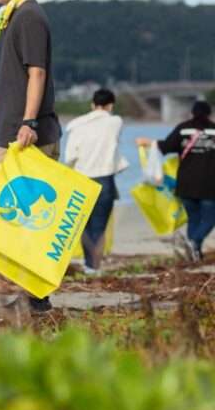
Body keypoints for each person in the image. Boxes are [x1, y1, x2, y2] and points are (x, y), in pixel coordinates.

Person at [0, 0, 61, 313]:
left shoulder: (29, 17)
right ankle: (32, 296)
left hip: (27, 135)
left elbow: (36, 73)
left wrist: (28, 123)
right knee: (16, 222)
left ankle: (36, 300)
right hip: (7, 132)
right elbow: (7, 80)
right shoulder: (12, 16)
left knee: (26, 222)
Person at [136, 100, 215, 261]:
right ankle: (195, 242)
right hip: (209, 183)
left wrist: (148, 142)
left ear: (192, 113)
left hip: (186, 183)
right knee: (209, 218)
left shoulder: (183, 128)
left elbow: (165, 146)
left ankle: (195, 254)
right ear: (209, 114)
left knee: (194, 218)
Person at [63, 89, 129, 274]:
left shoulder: (75, 126)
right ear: (111, 105)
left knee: (83, 224)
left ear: (92, 104)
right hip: (104, 179)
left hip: (81, 180)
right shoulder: (115, 122)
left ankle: (88, 264)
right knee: (99, 226)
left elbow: (69, 157)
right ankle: (94, 265)